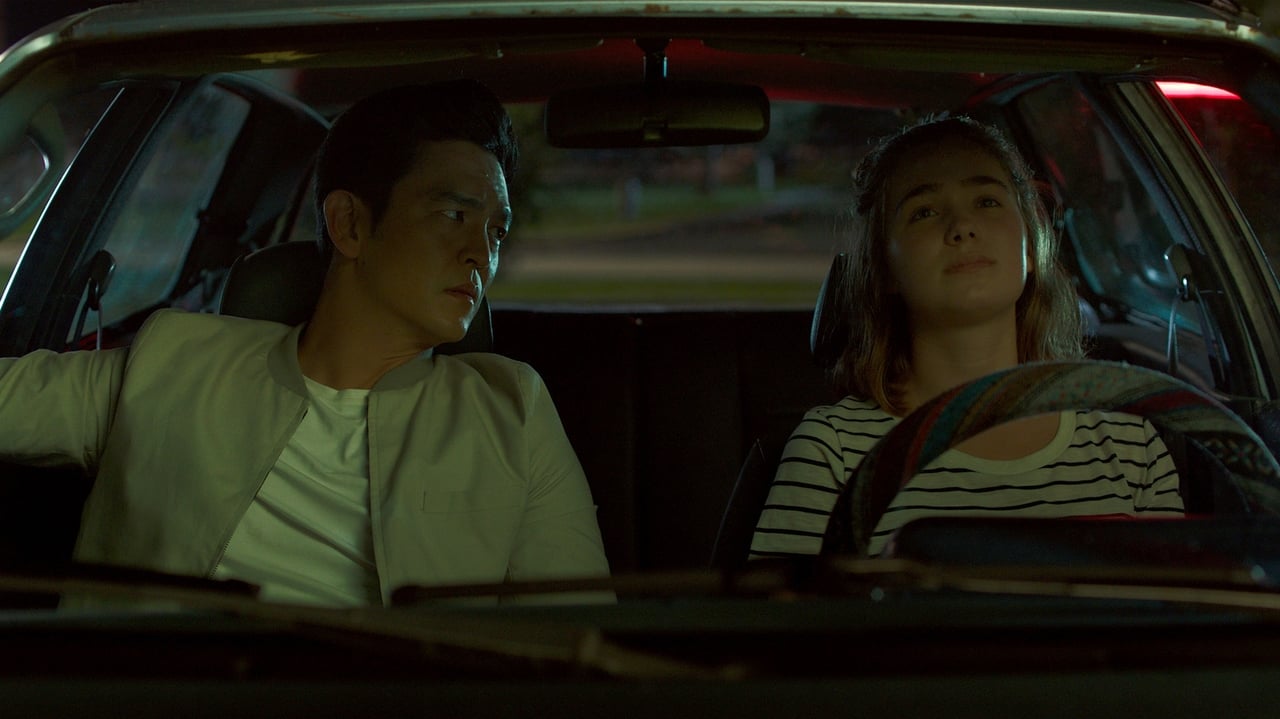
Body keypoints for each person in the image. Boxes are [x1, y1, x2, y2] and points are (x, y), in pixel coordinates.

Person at [0, 80, 611, 606]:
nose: (481, 253)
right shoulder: (173, 360)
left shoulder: (512, 411)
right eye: (455, 216)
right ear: (349, 223)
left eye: (496, 232)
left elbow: (574, 633)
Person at [750, 116, 1183, 559]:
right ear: (884, 268)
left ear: (1031, 246)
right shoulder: (834, 450)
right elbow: (787, 603)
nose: (962, 226)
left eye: (987, 201)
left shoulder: (1129, 443)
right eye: (924, 212)